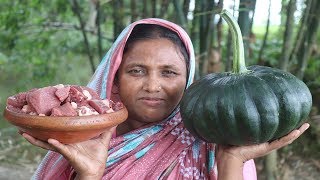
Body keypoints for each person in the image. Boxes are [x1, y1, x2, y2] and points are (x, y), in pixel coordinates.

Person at [21, 18, 310, 180]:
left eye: (169, 73)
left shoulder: (213, 138)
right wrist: (90, 174)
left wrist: (232, 159)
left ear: (188, 79)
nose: (153, 85)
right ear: (115, 78)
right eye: (136, 71)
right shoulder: (82, 139)